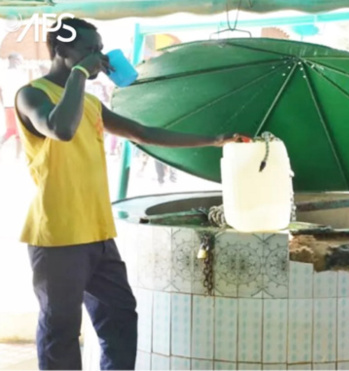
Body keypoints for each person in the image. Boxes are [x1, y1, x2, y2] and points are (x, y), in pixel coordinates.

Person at [14, 18, 248, 370]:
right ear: (62, 50)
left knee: (120, 320)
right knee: (61, 331)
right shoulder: (31, 94)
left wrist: (217, 139)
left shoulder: (90, 103)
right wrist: (79, 74)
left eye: (100, 49)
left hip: (98, 234)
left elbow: (142, 132)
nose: (99, 57)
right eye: (90, 49)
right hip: (57, 235)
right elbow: (61, 129)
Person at [0, 53, 28, 159]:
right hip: (16, 105)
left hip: (10, 105)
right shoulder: (18, 73)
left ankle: (17, 156)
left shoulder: (4, 73)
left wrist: (3, 104)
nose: (20, 62)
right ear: (13, 60)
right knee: (18, 132)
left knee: (11, 131)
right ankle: (17, 156)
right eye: (19, 60)